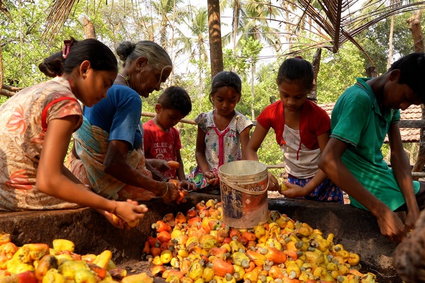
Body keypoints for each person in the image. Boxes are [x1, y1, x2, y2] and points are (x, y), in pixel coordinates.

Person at [0, 38, 147, 226]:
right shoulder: (66, 103)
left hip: (3, 190)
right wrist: (113, 207)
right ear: (85, 69)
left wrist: (93, 197)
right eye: (105, 84)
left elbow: (50, 165)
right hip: (17, 194)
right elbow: (49, 181)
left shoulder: (38, 90)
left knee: (89, 195)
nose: (105, 94)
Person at [319, 53, 425, 242]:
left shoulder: (389, 102)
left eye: (411, 103)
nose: (404, 106)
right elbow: (327, 160)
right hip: (365, 186)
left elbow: (398, 153)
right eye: (406, 98)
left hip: (381, 176)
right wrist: (381, 211)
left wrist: (413, 207)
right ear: (394, 76)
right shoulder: (359, 100)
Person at [70, 40, 180, 204]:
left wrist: (159, 177)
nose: (158, 87)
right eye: (158, 78)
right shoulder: (129, 97)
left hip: (82, 180)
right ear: (140, 64)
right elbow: (113, 164)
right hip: (107, 187)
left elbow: (78, 151)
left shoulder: (97, 90)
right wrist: (160, 188)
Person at [246, 57, 343, 203]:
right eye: (285, 95)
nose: (290, 102)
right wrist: (261, 173)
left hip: (322, 181)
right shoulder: (271, 113)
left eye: (298, 97)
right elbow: (250, 149)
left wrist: (306, 189)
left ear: (309, 90)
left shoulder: (318, 117)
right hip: (294, 181)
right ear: (278, 86)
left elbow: (328, 160)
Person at [188, 71, 253, 191]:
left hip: (233, 178)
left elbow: (246, 154)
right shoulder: (205, 121)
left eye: (231, 100)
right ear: (212, 97)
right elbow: (199, 152)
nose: (225, 105)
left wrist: (237, 176)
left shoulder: (241, 122)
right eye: (220, 99)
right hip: (207, 176)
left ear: (238, 98)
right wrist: (207, 172)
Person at [143, 86, 196, 190]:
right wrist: (156, 164)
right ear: (158, 108)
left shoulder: (174, 133)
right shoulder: (146, 131)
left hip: (172, 185)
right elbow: (139, 161)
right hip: (152, 186)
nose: (174, 122)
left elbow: (178, 160)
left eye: (178, 119)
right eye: (172, 117)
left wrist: (182, 180)